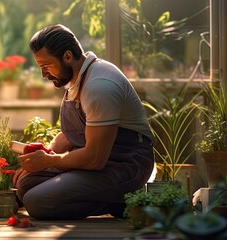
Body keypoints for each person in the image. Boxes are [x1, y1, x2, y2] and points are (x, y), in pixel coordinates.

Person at [14, 24, 154, 220]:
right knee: (26, 184)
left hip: (123, 165)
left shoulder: (100, 86)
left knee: (37, 202)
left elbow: (95, 158)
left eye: (46, 66)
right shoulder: (76, 78)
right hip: (95, 163)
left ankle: (123, 202)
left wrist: (48, 161)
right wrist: (42, 157)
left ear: (68, 56)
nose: (43, 75)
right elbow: (70, 135)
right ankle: (110, 198)